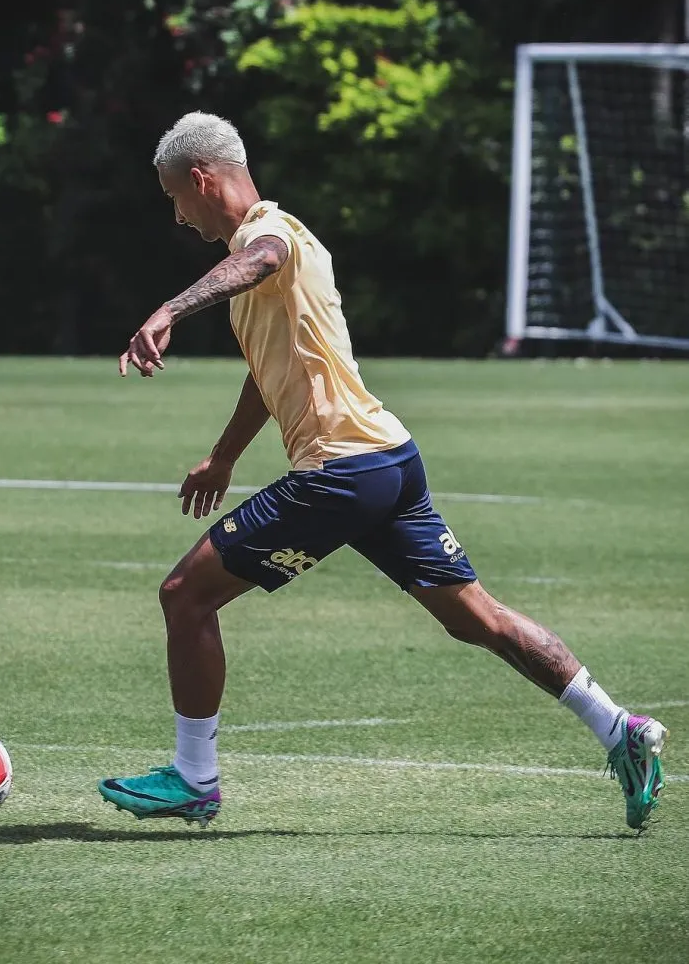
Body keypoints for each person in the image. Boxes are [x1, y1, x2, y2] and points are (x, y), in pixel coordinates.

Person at [98, 111, 668, 830]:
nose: (177, 217)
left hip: (340, 472)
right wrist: (225, 455)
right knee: (479, 621)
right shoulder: (282, 245)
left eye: (173, 197)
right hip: (389, 462)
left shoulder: (268, 239)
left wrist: (168, 309)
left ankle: (194, 778)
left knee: (185, 595)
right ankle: (620, 729)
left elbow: (261, 259)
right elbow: (267, 373)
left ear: (201, 179)